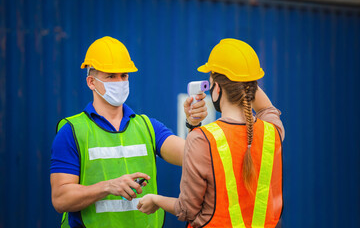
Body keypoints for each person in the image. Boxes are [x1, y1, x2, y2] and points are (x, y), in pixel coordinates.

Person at [50, 36, 207, 228]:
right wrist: (108, 186)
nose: (119, 81)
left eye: (124, 76)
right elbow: (61, 199)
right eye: (111, 76)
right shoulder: (71, 131)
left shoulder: (148, 127)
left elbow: (193, 156)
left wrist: (192, 124)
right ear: (91, 82)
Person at [138, 38, 284, 228]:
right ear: (252, 87)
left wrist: (156, 200)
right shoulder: (273, 132)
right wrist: (246, 85)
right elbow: (267, 109)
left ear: (215, 89)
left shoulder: (202, 138)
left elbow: (186, 209)